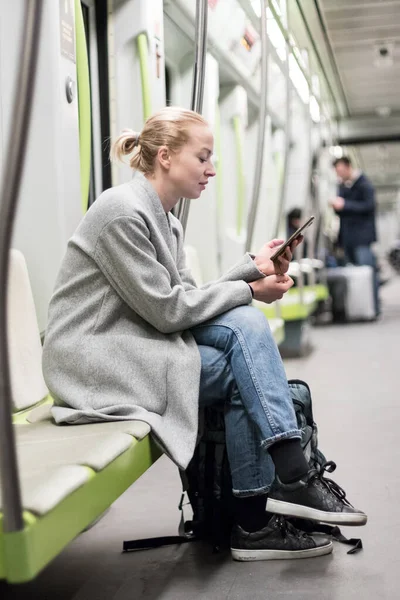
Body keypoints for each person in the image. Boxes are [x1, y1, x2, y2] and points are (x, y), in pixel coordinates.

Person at [42, 107, 366, 563]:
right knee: (242, 348)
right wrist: (249, 289)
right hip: (93, 363)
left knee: (243, 333)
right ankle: (272, 500)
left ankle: (267, 506)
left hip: (132, 348)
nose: (212, 169)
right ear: (167, 157)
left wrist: (252, 268)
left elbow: (188, 299)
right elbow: (170, 311)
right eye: (204, 157)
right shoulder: (121, 213)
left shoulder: (167, 219)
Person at [331, 157, 380, 316]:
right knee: (355, 276)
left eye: (340, 170)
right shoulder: (343, 186)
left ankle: (373, 309)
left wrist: (345, 205)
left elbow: (369, 206)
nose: (339, 174)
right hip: (348, 238)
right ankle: (358, 309)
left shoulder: (364, 184)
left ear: (348, 167)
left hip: (362, 238)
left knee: (367, 274)